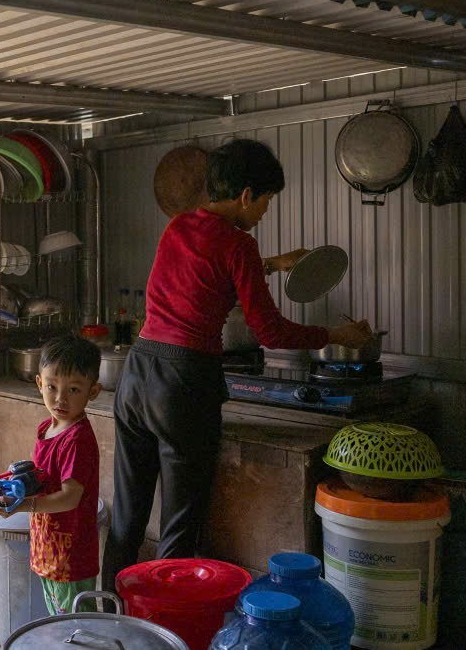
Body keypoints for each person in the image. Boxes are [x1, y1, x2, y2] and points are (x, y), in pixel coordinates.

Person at [101, 138, 372, 590]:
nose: (266, 211)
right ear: (247, 195)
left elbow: (209, 267)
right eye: (266, 200)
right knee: (179, 528)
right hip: (183, 385)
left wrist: (275, 263)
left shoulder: (179, 227)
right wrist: (336, 335)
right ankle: (170, 628)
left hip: (137, 374)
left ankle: (106, 617)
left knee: (127, 517)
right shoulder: (239, 246)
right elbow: (272, 333)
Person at [0, 334, 102, 615]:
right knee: (57, 620)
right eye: (52, 386)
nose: (60, 399)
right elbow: (46, 479)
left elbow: (69, 498)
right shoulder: (47, 428)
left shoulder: (77, 440)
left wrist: (25, 505)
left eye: (74, 390)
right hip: (48, 548)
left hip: (71, 557)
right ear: (39, 383)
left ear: (93, 392)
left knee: (78, 627)